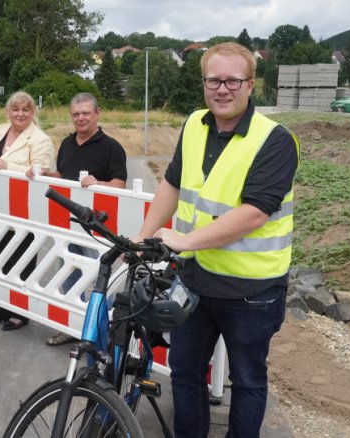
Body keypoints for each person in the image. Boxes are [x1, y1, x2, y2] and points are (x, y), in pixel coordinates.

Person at [133, 42, 299, 438]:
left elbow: (254, 213)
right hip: (195, 282)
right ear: (203, 82)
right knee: (186, 373)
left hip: (251, 292)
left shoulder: (275, 140)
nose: (222, 89)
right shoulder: (194, 124)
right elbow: (172, 183)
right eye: (213, 80)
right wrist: (142, 237)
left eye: (232, 80)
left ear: (250, 84)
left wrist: (183, 242)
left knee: (247, 380)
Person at [26, 92, 127, 347]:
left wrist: (98, 183)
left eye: (85, 113)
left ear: (97, 114)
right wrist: (45, 174)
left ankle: (102, 328)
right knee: (68, 270)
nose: (80, 118)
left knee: (95, 274)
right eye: (76, 114)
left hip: (96, 226)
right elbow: (63, 174)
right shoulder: (67, 143)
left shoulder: (111, 147)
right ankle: (74, 326)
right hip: (68, 222)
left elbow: (120, 183)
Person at [0, 91, 55, 331]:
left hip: (24, 209)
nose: (20, 114)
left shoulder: (40, 139)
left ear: (33, 113)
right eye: (15, 109)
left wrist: (9, 166)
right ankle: (2, 307)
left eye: (26, 110)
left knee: (22, 259)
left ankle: (20, 312)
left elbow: (41, 172)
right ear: (8, 112)